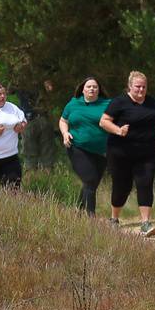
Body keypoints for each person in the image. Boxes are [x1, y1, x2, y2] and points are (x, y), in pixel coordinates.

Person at [99, 70, 155, 236]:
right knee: (122, 187)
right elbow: (103, 121)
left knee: (145, 183)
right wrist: (118, 130)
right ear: (129, 86)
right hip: (121, 152)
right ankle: (114, 219)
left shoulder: (153, 103)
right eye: (137, 87)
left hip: (146, 152)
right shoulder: (119, 103)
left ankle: (145, 224)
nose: (141, 90)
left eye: (144, 87)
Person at [58, 77, 111, 213]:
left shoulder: (107, 104)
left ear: (99, 90)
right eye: (88, 87)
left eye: (95, 87)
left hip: (101, 151)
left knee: (91, 183)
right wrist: (65, 133)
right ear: (82, 90)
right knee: (90, 179)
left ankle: (78, 210)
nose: (92, 89)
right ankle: (91, 218)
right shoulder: (73, 103)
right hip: (77, 147)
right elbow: (63, 120)